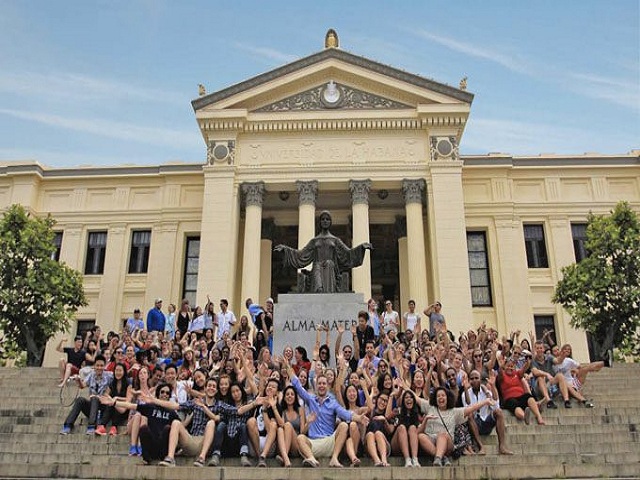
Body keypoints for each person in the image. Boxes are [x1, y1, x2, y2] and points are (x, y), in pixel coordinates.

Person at [284, 356, 369, 467]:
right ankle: (311, 459)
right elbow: (298, 386)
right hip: (313, 443)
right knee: (300, 438)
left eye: (324, 383)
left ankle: (334, 459)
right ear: (316, 385)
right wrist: (288, 367)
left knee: (343, 425)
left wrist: (359, 418)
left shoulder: (333, 403)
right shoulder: (310, 399)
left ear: (327, 386)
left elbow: (346, 414)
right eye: (319, 383)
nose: (321, 386)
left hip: (329, 442)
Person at [274, 210, 372, 293]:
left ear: (330, 222)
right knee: (317, 279)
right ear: (320, 222)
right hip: (317, 267)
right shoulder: (314, 241)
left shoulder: (335, 240)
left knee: (329, 264)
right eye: (323, 219)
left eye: (327, 219)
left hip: (330, 269)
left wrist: (361, 248)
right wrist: (285, 250)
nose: (325, 221)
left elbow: (348, 254)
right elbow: (301, 254)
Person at [100, 383, 180, 465]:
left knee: (167, 428)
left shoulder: (172, 412)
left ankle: (166, 458)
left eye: (167, 393)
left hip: (163, 447)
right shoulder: (150, 407)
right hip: (151, 444)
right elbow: (131, 405)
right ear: (158, 394)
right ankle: (146, 459)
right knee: (143, 428)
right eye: (162, 392)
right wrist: (114, 403)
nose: (164, 394)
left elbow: (179, 427)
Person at [416, 386, 496, 467]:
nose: (441, 398)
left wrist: (485, 401)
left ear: (447, 398)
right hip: (431, 441)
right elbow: (415, 397)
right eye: (438, 396)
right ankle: (441, 457)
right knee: (421, 436)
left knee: (442, 435)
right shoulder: (430, 408)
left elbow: (471, 408)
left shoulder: (454, 412)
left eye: (443, 395)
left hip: (447, 442)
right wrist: (404, 386)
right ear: (435, 399)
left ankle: (438, 458)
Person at [462, 370, 514, 455]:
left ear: (480, 379)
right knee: (469, 415)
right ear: (469, 381)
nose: (474, 380)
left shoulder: (486, 392)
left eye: (476, 378)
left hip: (486, 422)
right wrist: (465, 388)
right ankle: (481, 446)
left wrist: (493, 386)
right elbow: (468, 409)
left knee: (499, 412)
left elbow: (496, 407)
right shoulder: (465, 394)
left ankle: (502, 447)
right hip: (474, 424)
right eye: (472, 379)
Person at [60, 355, 113, 435]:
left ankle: (91, 426)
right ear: (94, 366)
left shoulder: (109, 376)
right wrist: (78, 380)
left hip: (103, 407)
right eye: (97, 365)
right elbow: (82, 386)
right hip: (92, 407)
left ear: (104, 366)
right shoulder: (91, 375)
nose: (99, 368)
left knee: (95, 398)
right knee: (80, 400)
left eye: (101, 366)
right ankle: (67, 425)